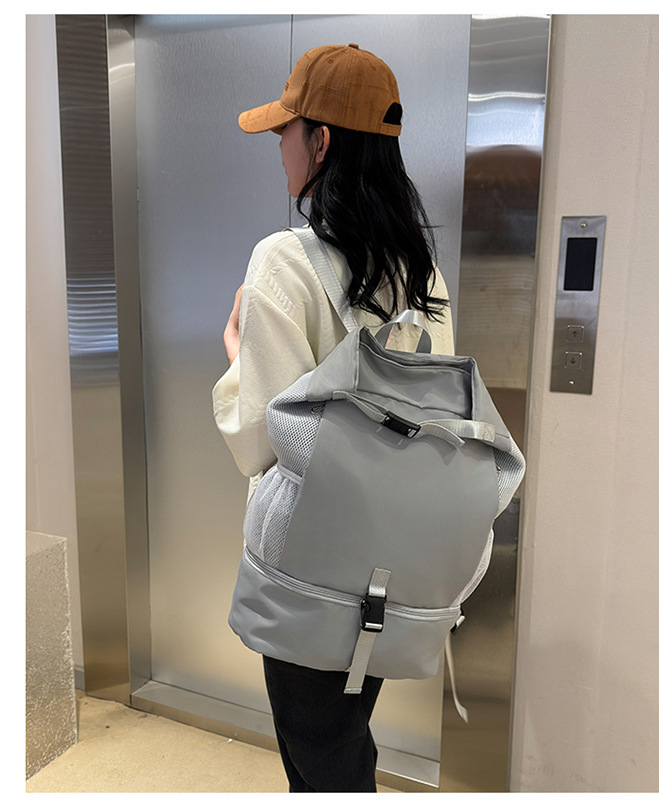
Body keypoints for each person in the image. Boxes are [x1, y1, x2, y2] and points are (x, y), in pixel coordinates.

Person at [212, 43, 455, 793]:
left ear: (320, 142)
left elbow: (262, 442)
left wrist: (235, 349)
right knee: (341, 739)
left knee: (321, 759)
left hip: (310, 567)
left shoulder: (283, 261)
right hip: (390, 563)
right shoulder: (420, 272)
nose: (279, 146)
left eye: (286, 130)